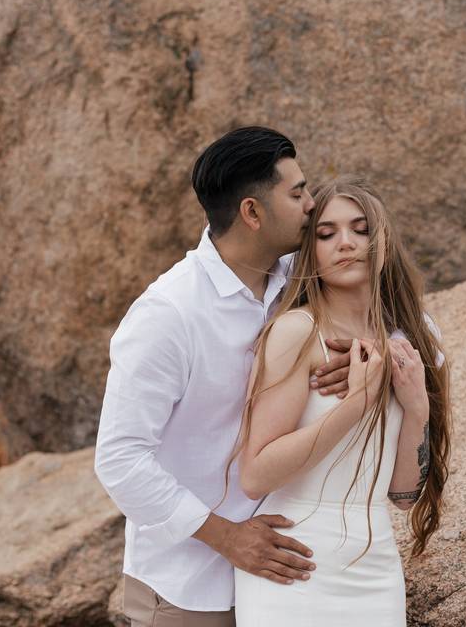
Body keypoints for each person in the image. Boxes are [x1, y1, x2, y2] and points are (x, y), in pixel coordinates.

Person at [94, 127, 352, 627]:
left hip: (292, 576)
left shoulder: (303, 278)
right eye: (297, 193)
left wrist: (366, 355)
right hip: (190, 589)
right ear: (252, 213)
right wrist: (228, 537)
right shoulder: (168, 314)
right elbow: (120, 459)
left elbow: (411, 323)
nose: (311, 205)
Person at [232, 175, 452, 626]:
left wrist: (416, 408)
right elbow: (256, 475)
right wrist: (358, 402)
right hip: (293, 561)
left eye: (361, 229)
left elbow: (406, 494)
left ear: (383, 240)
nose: (345, 243)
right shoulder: (297, 332)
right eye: (326, 234)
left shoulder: (417, 338)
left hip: (375, 567)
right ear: (309, 252)